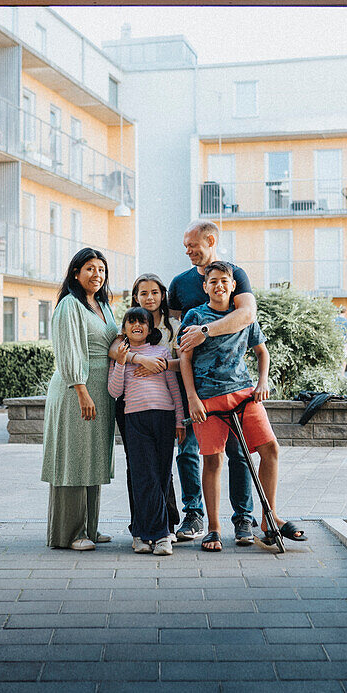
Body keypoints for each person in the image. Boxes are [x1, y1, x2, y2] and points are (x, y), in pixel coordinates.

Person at [179, 261, 307, 552]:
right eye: (213, 281)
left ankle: (269, 518)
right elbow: (184, 358)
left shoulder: (243, 316)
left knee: (270, 449)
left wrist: (263, 382)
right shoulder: (194, 315)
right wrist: (192, 398)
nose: (219, 286)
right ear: (205, 286)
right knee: (213, 460)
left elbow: (262, 352)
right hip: (207, 400)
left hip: (244, 395)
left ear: (233, 285)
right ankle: (213, 528)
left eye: (224, 281)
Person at [167, 220, 258, 546]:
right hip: (191, 383)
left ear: (211, 240)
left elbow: (247, 316)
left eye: (193, 246)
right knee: (189, 449)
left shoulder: (236, 274)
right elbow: (173, 332)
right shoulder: (178, 284)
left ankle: (244, 520)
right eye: (186, 248)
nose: (189, 252)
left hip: (229, 384)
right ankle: (194, 514)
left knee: (238, 452)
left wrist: (205, 332)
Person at [41, 248, 119, 550]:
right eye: (90, 268)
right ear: (76, 273)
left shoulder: (101, 305)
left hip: (100, 390)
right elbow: (69, 351)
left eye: (101, 269)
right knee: (74, 457)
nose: (96, 274)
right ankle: (70, 533)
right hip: (78, 391)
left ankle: (89, 526)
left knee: (92, 457)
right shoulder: (70, 305)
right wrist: (81, 390)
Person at [110, 274, 183, 552]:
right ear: (135, 297)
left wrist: (161, 363)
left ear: (162, 295)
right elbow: (116, 356)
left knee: (162, 472)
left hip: (163, 411)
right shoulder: (125, 334)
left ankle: (165, 528)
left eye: (154, 292)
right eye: (143, 293)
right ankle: (141, 530)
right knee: (141, 472)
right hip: (134, 412)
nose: (149, 297)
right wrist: (136, 358)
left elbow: (181, 367)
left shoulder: (171, 330)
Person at [334, 305, 347, 376]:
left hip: (335, 341)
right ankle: (342, 374)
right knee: (344, 359)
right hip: (343, 342)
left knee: (335, 358)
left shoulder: (334, 320)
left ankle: (335, 373)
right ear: (345, 312)